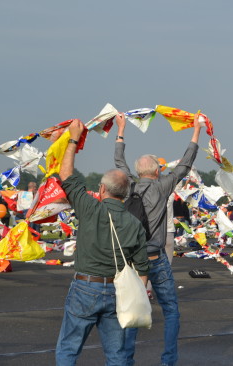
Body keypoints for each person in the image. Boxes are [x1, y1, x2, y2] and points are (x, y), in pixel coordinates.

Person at [55, 119, 149, 366]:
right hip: (118, 290)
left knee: (68, 349)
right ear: (125, 194)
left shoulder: (90, 208)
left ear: (102, 189)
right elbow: (142, 269)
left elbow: (66, 175)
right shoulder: (134, 224)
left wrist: (73, 139)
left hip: (86, 286)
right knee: (117, 354)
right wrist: (138, 297)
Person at [114, 111, 203, 366]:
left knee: (132, 310)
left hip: (132, 258)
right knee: (171, 310)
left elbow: (119, 162)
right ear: (157, 170)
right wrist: (195, 131)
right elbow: (185, 164)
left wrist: (121, 131)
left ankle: (126, 359)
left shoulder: (129, 185)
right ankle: (168, 360)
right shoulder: (163, 186)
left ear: (139, 171)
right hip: (155, 256)